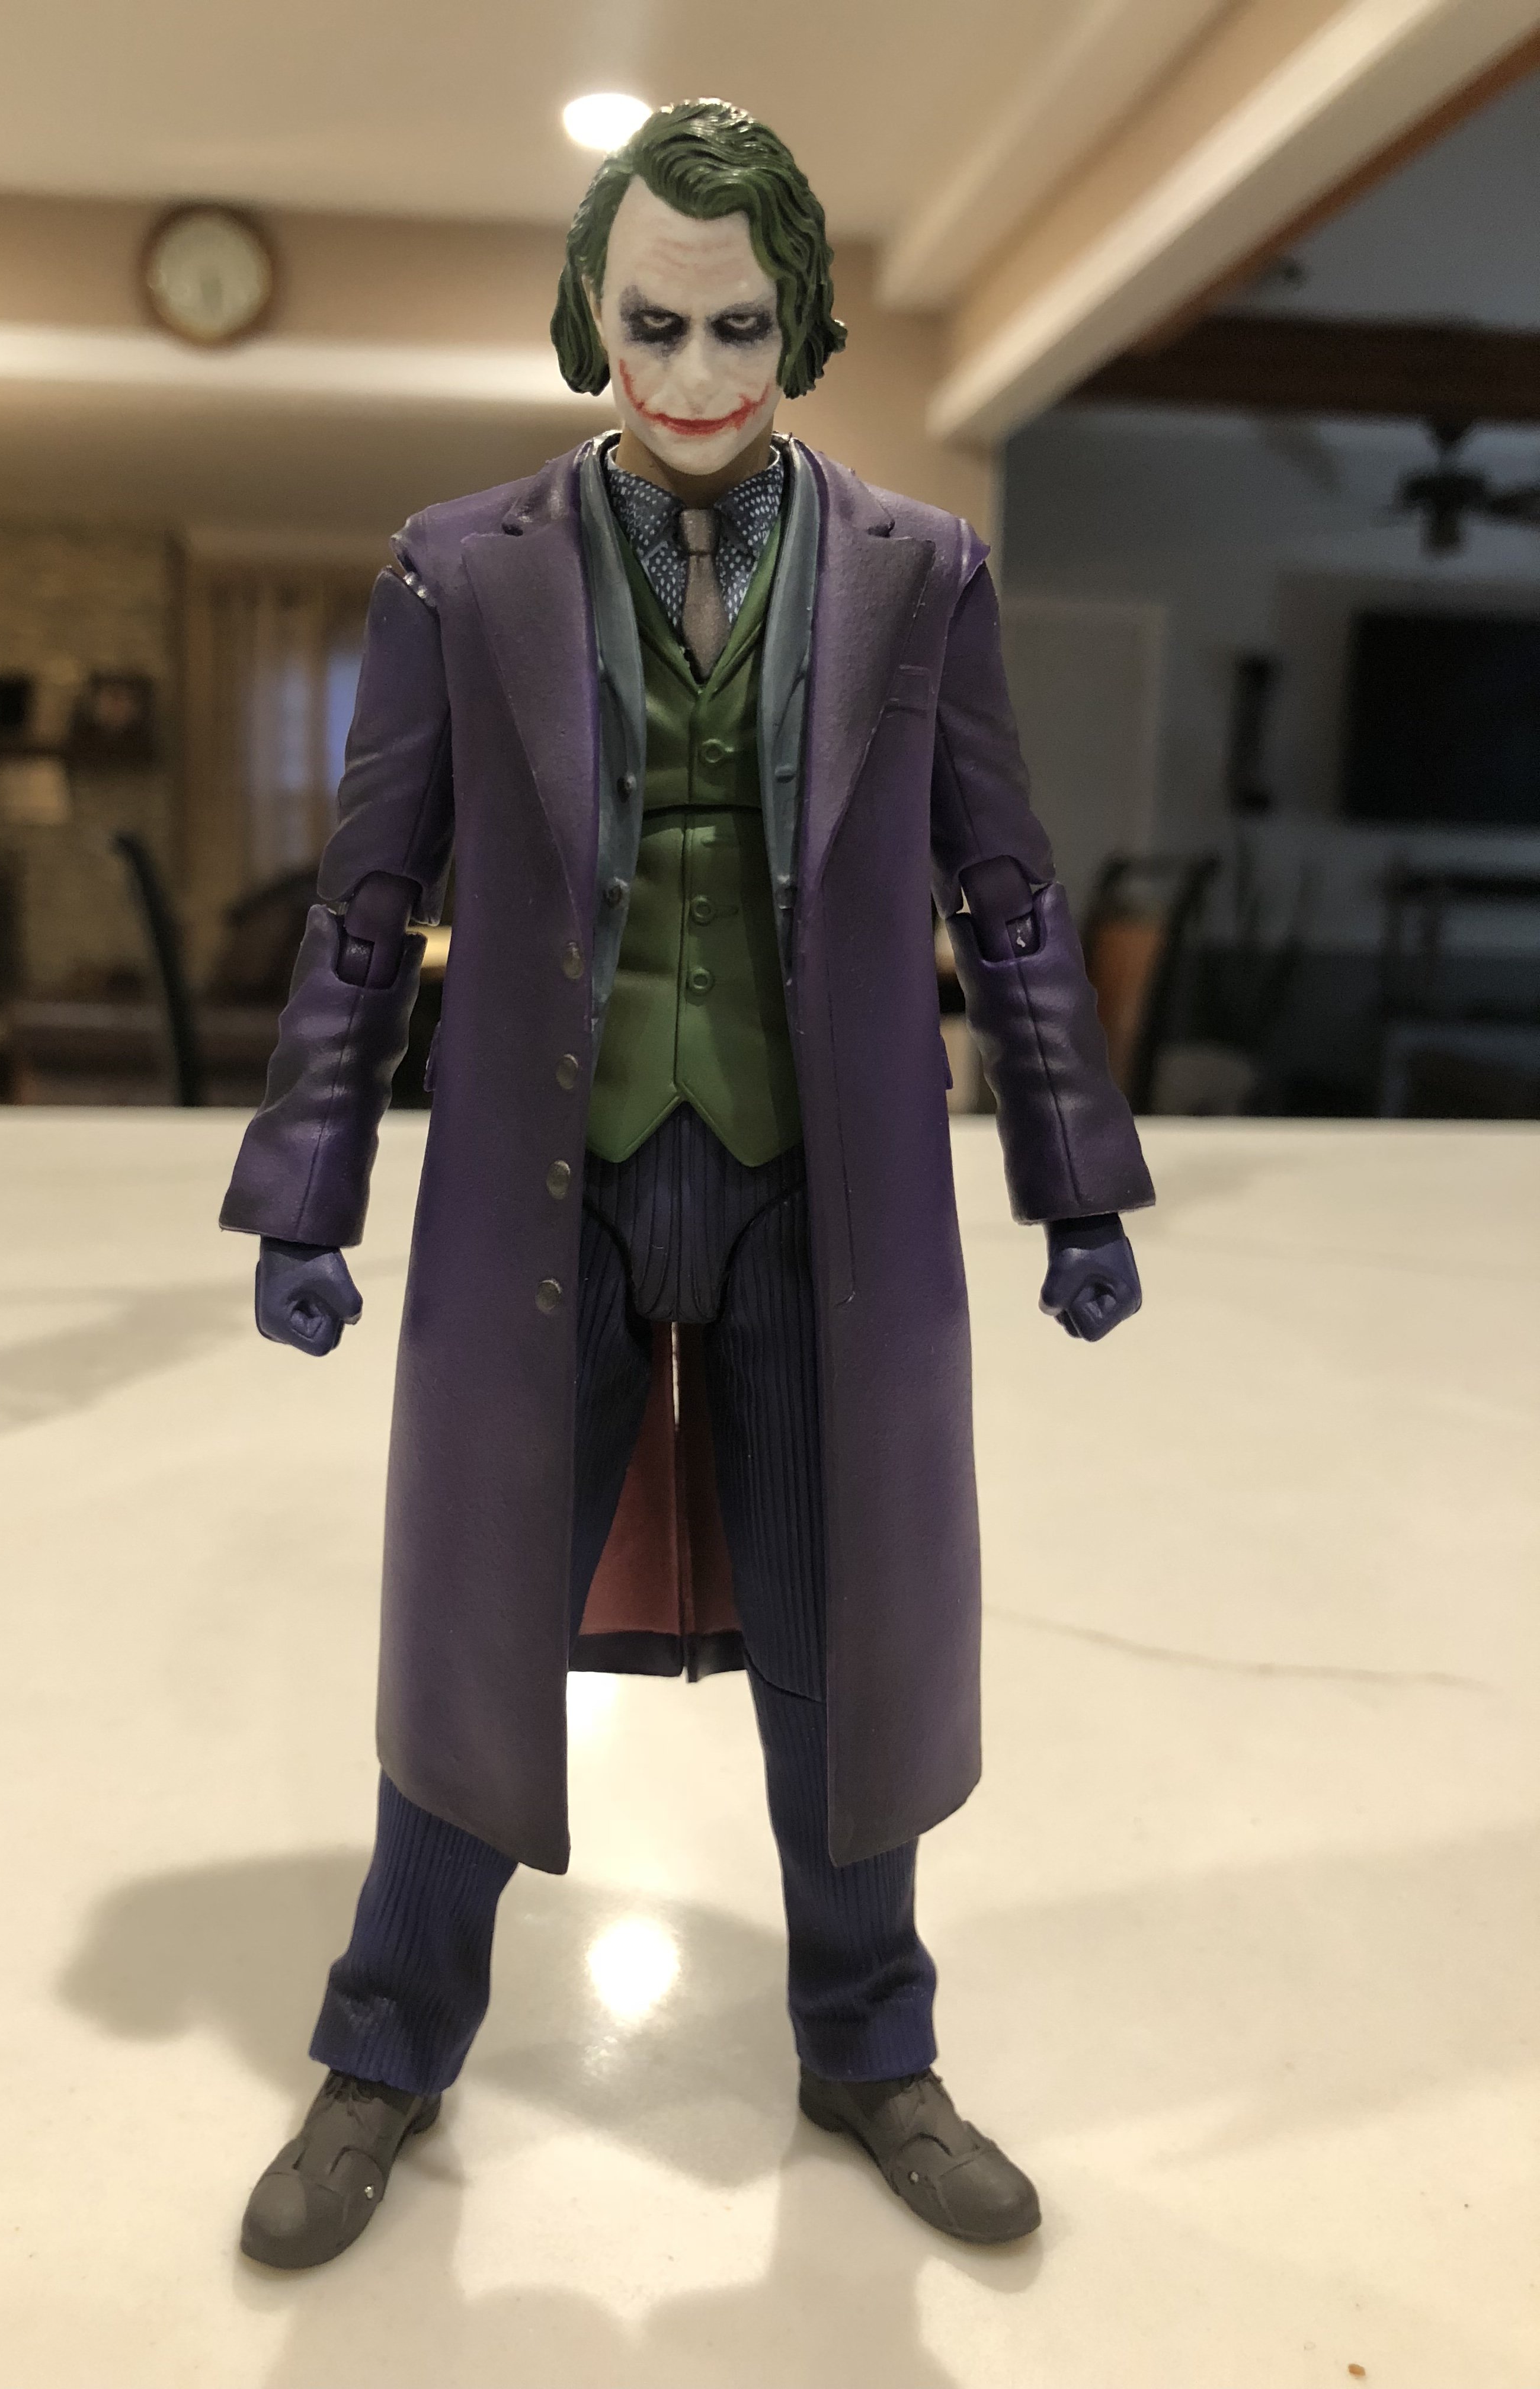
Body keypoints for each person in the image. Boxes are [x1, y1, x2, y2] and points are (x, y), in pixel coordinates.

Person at [221, 98, 1153, 2270]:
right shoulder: (461, 569)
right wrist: (306, 1188)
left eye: (742, 325)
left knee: (850, 1627)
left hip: (821, 1191)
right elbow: (368, 900)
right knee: (476, 1616)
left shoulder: (923, 569)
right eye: (657, 322)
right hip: (545, 1183)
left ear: (801, 323)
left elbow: (1008, 892)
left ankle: (871, 2041)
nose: (702, 369)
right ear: (591, 319)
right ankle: (387, 2044)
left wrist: (1075, 1178)